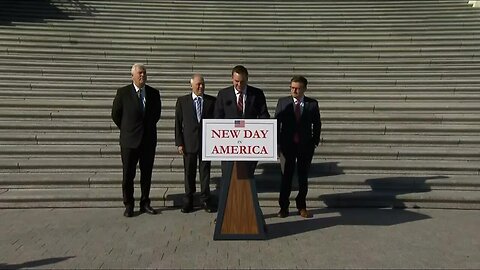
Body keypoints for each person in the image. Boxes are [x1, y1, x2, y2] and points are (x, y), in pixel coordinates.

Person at [111, 63, 161, 217]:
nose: (142, 76)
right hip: (129, 141)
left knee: (146, 174)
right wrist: (127, 129)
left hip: (147, 140)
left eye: (144, 73)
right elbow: (116, 115)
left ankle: (145, 202)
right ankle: (129, 204)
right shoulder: (123, 93)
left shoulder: (153, 93)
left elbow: (156, 115)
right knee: (128, 175)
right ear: (132, 75)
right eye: (139, 73)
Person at [275, 75, 321, 218]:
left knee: (303, 177)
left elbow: (317, 123)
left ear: (304, 89)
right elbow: (276, 123)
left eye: (298, 88)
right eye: (292, 88)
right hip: (287, 146)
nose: (294, 90)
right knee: (286, 177)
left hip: (305, 146)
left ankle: (301, 205)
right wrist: (276, 143)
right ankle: (283, 207)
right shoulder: (283, 102)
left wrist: (314, 141)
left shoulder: (312, 104)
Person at [214, 65, 270, 177]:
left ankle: (247, 193)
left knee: (247, 174)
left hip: (250, 142)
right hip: (229, 143)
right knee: (228, 174)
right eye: (236, 81)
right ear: (232, 79)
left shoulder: (257, 94)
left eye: (242, 81)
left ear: (247, 79)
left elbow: (264, 115)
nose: (239, 84)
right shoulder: (223, 94)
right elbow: (217, 117)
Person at [175, 74, 217, 213]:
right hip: (189, 143)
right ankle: (189, 199)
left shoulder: (212, 101)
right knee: (189, 173)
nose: (201, 87)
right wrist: (179, 143)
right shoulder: (182, 101)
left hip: (206, 143)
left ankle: (205, 199)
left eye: (203, 84)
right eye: (198, 84)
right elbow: (178, 124)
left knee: (205, 172)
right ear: (191, 85)